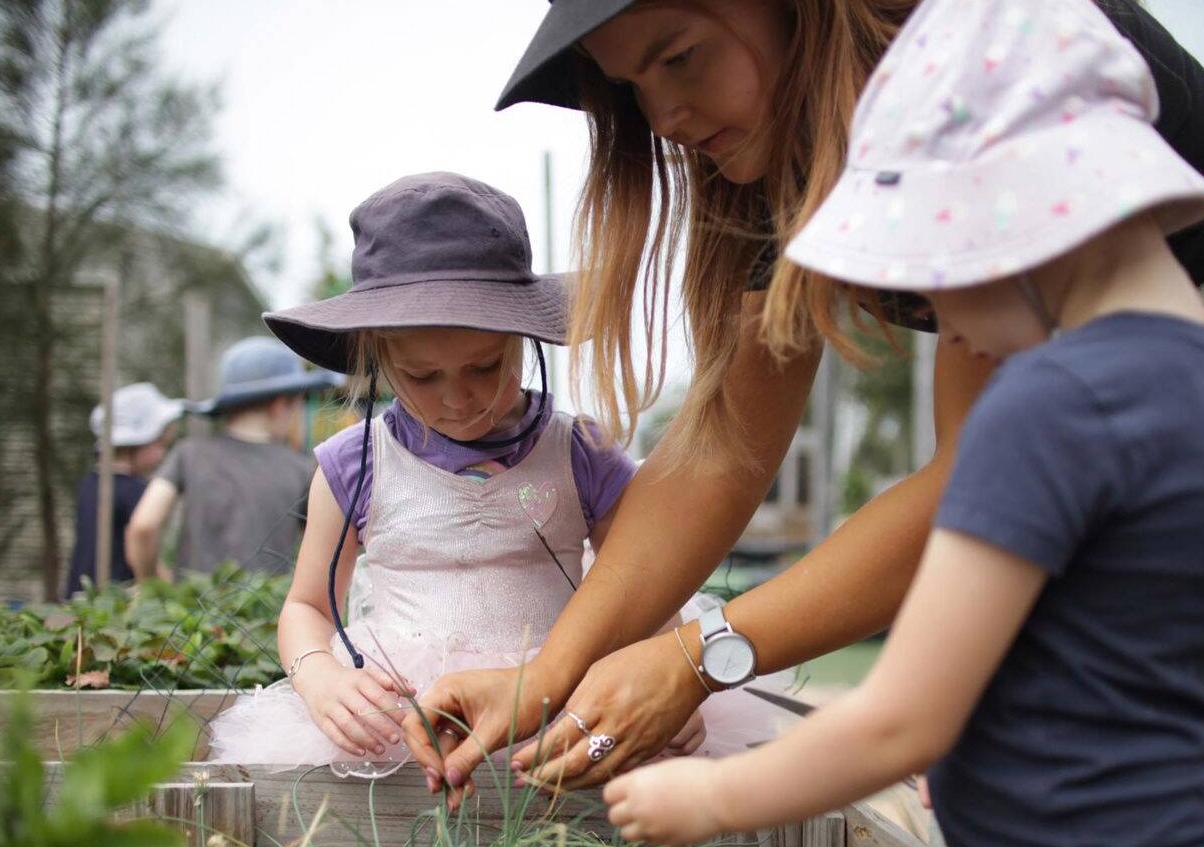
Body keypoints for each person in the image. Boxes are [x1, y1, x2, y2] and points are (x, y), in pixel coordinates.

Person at [409, 0, 1204, 834]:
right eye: (630, 88)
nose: (662, 118)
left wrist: (704, 664)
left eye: (679, 55)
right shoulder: (779, 148)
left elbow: (968, 495)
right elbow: (728, 446)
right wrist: (548, 676)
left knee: (1157, 817)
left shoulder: (1020, 81)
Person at [605, 0, 1204, 847]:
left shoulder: (1042, 403)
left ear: (1013, 215)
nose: (936, 310)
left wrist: (705, 802)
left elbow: (902, 718)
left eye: (934, 260)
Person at [206, 173, 781, 779]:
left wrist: (662, 667)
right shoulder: (354, 465)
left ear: (523, 337)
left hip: (557, 703)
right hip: (402, 713)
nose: (459, 398)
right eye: (423, 377)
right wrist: (318, 676)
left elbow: (643, 582)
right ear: (376, 357)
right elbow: (307, 606)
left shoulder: (579, 450)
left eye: (485, 366)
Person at [125, 336, 338, 580]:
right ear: (279, 405)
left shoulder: (189, 453)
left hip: (190, 611)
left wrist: (152, 583)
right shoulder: (301, 468)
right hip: (264, 614)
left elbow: (143, 525)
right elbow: (325, 546)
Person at [64, 382, 183, 593]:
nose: (162, 455)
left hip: (80, 594)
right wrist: (168, 588)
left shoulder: (91, 483)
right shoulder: (135, 491)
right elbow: (140, 544)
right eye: (159, 444)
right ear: (134, 445)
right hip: (117, 599)